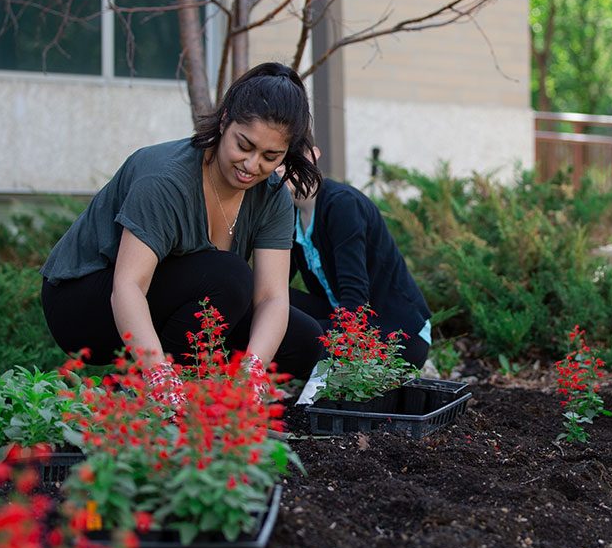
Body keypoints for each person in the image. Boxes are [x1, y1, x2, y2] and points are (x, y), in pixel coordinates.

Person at [39, 62, 327, 403]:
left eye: (270, 156)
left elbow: (271, 298)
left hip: (169, 299)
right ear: (224, 122)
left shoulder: (272, 195)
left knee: (306, 341)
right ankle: (161, 392)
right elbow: (128, 286)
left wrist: (252, 371)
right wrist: (158, 374)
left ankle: (206, 394)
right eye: (244, 145)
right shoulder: (166, 180)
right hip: (86, 302)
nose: (252, 165)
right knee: (229, 276)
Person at [289, 155, 431, 370]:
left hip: (396, 333)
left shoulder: (342, 204)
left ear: (311, 156)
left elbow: (355, 300)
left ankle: (319, 384)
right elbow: (273, 289)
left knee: (292, 331)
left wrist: (320, 361)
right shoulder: (289, 212)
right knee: (265, 305)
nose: (277, 171)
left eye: (282, 161)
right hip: (344, 317)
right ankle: (243, 380)